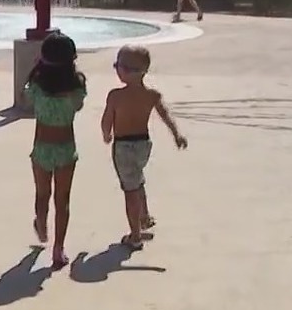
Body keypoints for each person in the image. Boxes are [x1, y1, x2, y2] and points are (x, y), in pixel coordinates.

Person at [100, 45, 187, 250]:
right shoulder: (152, 95)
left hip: (123, 146)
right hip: (143, 145)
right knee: (137, 178)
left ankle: (135, 235)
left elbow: (106, 120)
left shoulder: (115, 96)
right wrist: (177, 135)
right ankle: (144, 216)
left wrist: (106, 134)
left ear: (125, 71)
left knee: (130, 190)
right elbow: (166, 116)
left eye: (117, 66)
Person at [23, 31, 87, 268]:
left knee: (42, 195)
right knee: (63, 200)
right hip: (66, 148)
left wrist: (36, 70)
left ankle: (41, 224)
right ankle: (58, 249)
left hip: (41, 148)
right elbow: (79, 105)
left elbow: (27, 97)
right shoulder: (76, 88)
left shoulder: (37, 86)